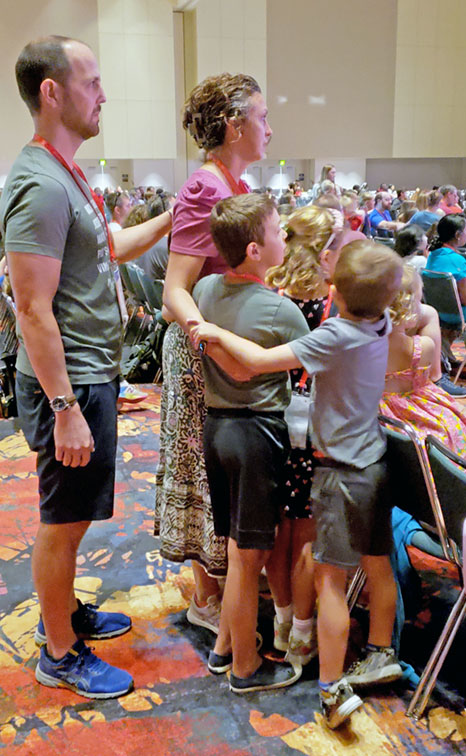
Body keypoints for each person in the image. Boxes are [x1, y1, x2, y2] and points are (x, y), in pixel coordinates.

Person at [0, 36, 172, 699]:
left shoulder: (69, 172)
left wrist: (170, 218)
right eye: (93, 81)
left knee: (72, 521)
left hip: (91, 375)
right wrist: (66, 408)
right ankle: (60, 654)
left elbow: (112, 246)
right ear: (52, 91)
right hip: (66, 385)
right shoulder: (39, 183)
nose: (104, 94)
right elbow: (33, 310)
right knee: (62, 521)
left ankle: (66, 616)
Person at [189, 241, 404, 730]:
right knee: (377, 563)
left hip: (337, 473)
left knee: (330, 581)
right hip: (374, 462)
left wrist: (214, 331)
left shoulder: (334, 334)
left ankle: (330, 690)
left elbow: (259, 360)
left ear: (333, 292)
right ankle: (380, 651)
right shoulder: (382, 323)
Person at [155, 73, 272, 635]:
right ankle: (208, 594)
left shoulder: (228, 182)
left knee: (212, 467)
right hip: (199, 347)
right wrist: (210, 335)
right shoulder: (208, 186)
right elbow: (174, 287)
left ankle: (219, 586)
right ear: (235, 125)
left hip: (214, 342)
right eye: (264, 117)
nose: (270, 129)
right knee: (205, 467)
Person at [192, 193, 308, 692]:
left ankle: (224, 648)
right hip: (257, 433)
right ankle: (245, 666)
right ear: (256, 249)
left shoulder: (204, 290)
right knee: (247, 558)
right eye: (279, 231)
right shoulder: (283, 312)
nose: (286, 237)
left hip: (216, 431)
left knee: (237, 550)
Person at [264, 204, 342, 667]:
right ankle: (301, 633)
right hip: (317, 424)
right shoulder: (334, 297)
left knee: (278, 529)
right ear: (326, 248)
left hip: (272, 416)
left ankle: (280, 620)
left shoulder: (272, 288)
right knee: (308, 531)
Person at [380, 265, 466, 467]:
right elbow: (428, 390)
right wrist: (455, 409)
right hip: (421, 433)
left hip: (389, 428)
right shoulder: (421, 348)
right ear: (406, 310)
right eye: (418, 301)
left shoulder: (348, 347)